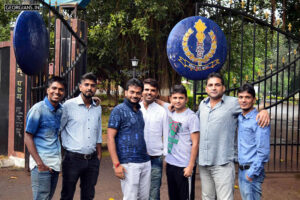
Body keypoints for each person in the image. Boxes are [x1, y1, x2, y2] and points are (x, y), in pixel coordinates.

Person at [197, 72, 270, 200]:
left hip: (223, 162)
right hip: (204, 162)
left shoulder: (233, 103)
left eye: (217, 85)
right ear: (206, 88)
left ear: (223, 88)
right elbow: (190, 119)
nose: (214, 88)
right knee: (207, 197)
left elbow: (250, 105)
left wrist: (264, 111)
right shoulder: (203, 104)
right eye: (210, 85)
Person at [60, 72, 102, 200]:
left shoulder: (97, 108)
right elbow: (59, 129)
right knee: (67, 194)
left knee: (88, 195)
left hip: (92, 160)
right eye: (86, 84)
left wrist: (99, 156)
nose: (89, 88)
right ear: (80, 87)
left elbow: (98, 132)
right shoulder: (68, 106)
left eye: (93, 85)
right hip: (72, 159)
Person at [107, 78, 151, 200]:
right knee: (130, 197)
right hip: (128, 163)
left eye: (138, 93)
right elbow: (110, 138)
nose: (135, 95)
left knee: (144, 197)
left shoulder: (140, 111)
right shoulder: (118, 110)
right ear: (126, 92)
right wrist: (116, 164)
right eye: (132, 92)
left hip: (144, 161)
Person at [25, 76, 66, 200]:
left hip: (54, 163)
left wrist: (93, 101)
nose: (57, 92)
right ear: (47, 90)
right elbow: (28, 136)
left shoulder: (61, 110)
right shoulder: (38, 110)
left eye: (61, 89)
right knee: (41, 198)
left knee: (47, 197)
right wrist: (40, 164)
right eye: (54, 88)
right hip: (41, 164)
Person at [157, 84, 200, 200]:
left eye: (181, 98)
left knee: (185, 197)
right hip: (171, 164)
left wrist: (191, 166)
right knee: (173, 196)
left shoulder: (192, 117)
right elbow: (159, 102)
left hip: (184, 165)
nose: (178, 101)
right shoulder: (170, 110)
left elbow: (195, 143)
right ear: (170, 99)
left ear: (186, 99)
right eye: (175, 98)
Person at [237, 83, 270, 200]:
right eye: (240, 97)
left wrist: (251, 174)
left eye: (247, 97)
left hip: (252, 171)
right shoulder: (240, 117)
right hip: (242, 170)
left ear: (254, 100)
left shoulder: (259, 119)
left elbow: (264, 152)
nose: (243, 100)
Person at [140, 78, 168, 200]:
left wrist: (166, 156)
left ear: (157, 93)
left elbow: (166, 135)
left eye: (153, 90)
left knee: (154, 191)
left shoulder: (162, 111)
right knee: (136, 191)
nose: (149, 92)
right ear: (141, 91)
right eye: (146, 89)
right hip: (137, 158)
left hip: (155, 158)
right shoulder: (135, 109)